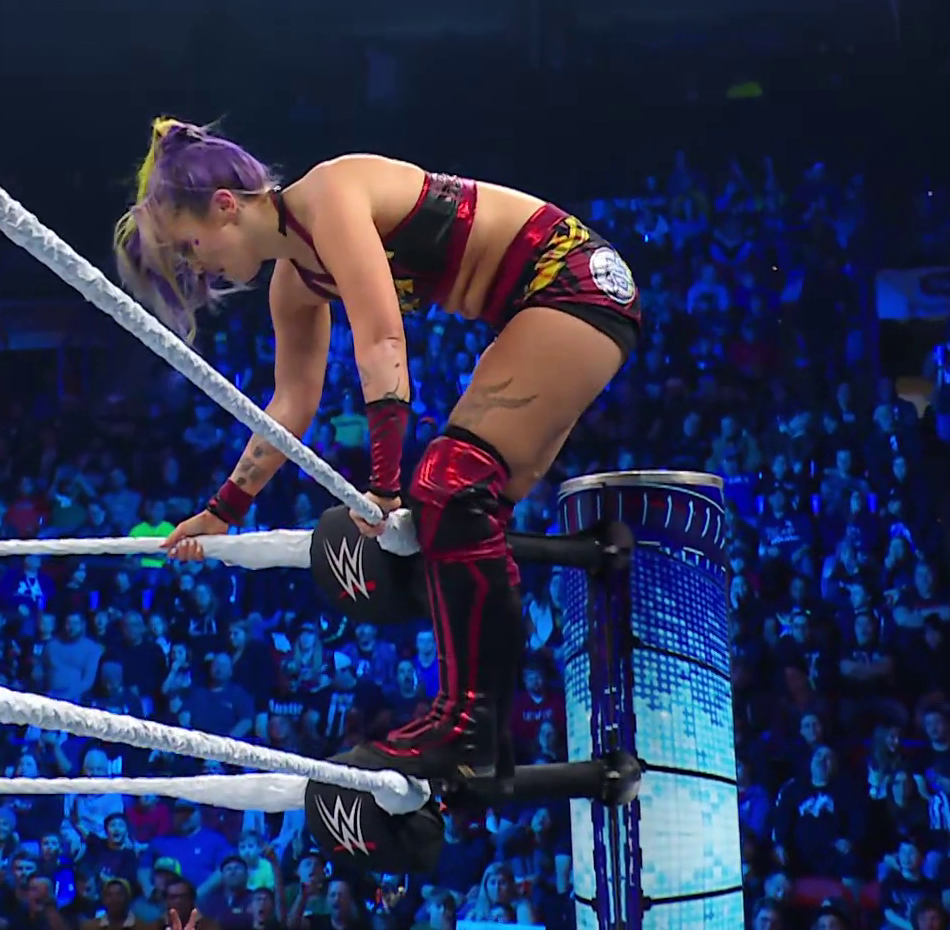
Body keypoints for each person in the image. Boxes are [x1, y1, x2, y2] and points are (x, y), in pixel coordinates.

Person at [116, 119, 639, 784]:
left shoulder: (329, 194)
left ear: (225, 206)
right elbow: (290, 406)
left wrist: (384, 485)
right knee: (457, 519)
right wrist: (222, 512)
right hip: (540, 305)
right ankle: (482, 734)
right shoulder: (293, 284)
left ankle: (467, 725)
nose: (197, 268)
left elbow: (383, 340)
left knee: (448, 486)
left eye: (190, 246)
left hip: (572, 281)